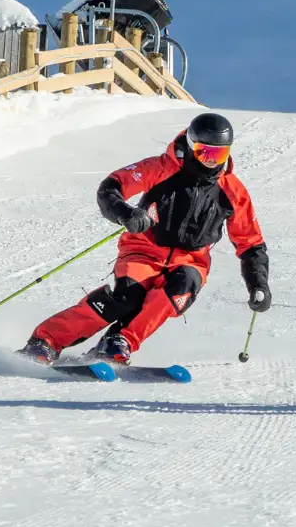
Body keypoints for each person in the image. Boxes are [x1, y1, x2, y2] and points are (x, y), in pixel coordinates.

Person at [20, 112, 270, 365]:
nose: (211, 162)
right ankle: (46, 341)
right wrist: (126, 213)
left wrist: (258, 284)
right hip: (144, 249)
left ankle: (120, 341)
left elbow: (251, 243)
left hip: (191, 261)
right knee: (127, 298)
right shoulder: (162, 168)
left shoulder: (233, 191)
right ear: (192, 145)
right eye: (205, 152)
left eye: (219, 154)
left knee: (177, 292)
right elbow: (112, 186)